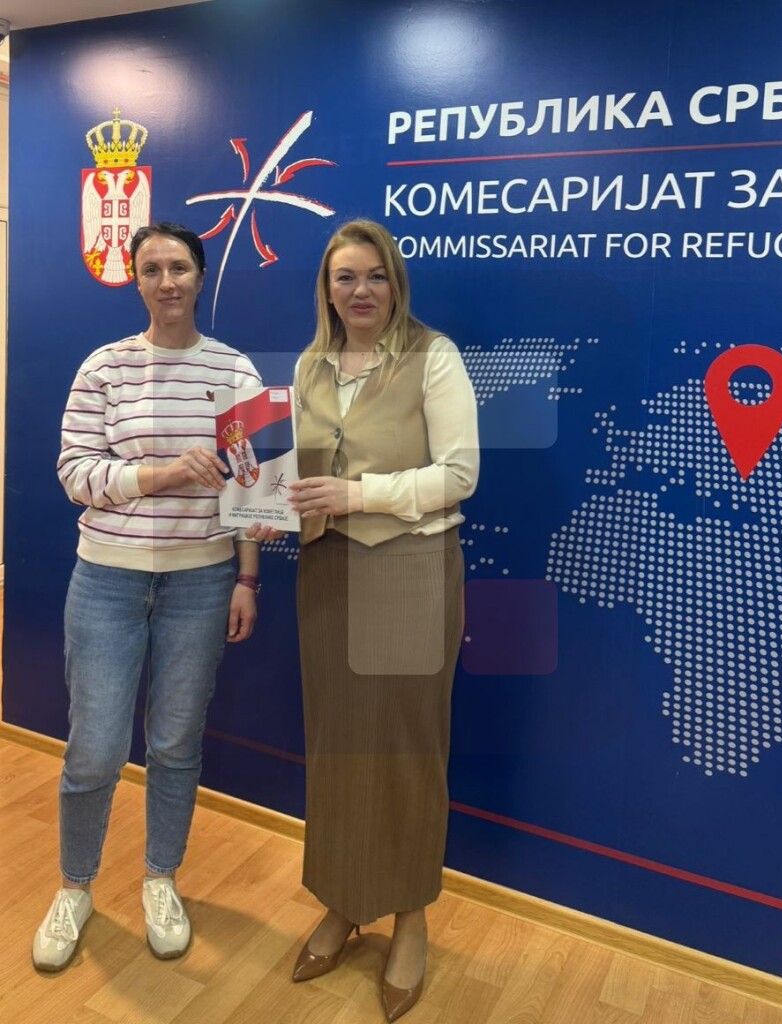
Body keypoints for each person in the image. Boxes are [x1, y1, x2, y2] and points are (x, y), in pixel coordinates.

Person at [248, 219, 479, 1021]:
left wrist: (360, 495)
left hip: (410, 567)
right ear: (326, 288)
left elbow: (459, 473)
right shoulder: (309, 364)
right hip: (328, 572)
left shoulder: (433, 356)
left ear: (395, 283)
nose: (360, 291)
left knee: (407, 751)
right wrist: (269, 508)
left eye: (375, 276)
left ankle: (410, 917)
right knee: (338, 748)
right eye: (345, 277)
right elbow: (305, 473)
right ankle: (344, 902)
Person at [32, 223, 262, 972]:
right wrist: (162, 475)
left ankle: (161, 879)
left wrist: (248, 577)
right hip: (107, 577)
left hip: (203, 582)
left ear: (200, 276)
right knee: (95, 749)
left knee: (174, 744)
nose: (167, 281)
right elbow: (76, 474)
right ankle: (75, 887)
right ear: (135, 280)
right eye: (152, 269)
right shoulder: (104, 367)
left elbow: (251, 485)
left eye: (180, 267)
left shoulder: (234, 371)